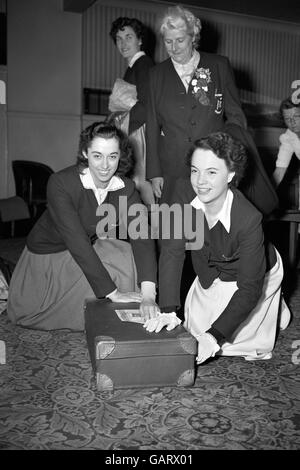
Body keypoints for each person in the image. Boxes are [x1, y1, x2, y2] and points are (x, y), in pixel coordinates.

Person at [146, 132, 291, 363]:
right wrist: (168, 309)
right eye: (195, 170)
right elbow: (172, 252)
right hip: (211, 270)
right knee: (192, 333)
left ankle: (274, 299)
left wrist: (213, 337)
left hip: (254, 276)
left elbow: (249, 289)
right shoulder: (182, 193)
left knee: (233, 345)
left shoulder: (248, 219)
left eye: (211, 172)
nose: (200, 182)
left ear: (230, 175)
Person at [7, 122, 159, 331]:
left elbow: (142, 235)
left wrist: (149, 295)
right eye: (97, 155)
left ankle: (124, 312)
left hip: (84, 245)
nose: (105, 165)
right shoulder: (60, 183)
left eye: (112, 156)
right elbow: (77, 243)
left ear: (120, 156)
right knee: (103, 291)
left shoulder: (126, 187)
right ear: (85, 153)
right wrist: (114, 293)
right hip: (48, 253)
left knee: (125, 255)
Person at [145, 4, 247, 205]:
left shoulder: (219, 66)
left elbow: (236, 117)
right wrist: (154, 173)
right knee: (172, 230)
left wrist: (232, 161)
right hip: (172, 170)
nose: (174, 48)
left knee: (210, 229)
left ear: (193, 36)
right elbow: (152, 125)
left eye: (180, 40)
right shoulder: (155, 75)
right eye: (168, 42)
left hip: (214, 164)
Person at [109, 17, 155, 206]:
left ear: (140, 40)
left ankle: (154, 231)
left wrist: (122, 129)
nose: (123, 43)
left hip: (138, 134)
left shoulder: (143, 64)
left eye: (128, 37)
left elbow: (147, 105)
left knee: (141, 183)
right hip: (133, 132)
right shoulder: (133, 67)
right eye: (119, 39)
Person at [273, 97, 300, 188]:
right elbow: (280, 171)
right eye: (287, 118)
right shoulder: (288, 137)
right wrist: (267, 194)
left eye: (296, 116)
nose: (292, 122)